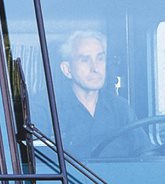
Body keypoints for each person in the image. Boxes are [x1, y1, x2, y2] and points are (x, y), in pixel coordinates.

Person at [57, 29, 141, 158]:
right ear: (67, 69)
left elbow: (145, 154)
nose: (95, 68)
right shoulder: (48, 109)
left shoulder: (121, 108)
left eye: (100, 59)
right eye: (85, 60)